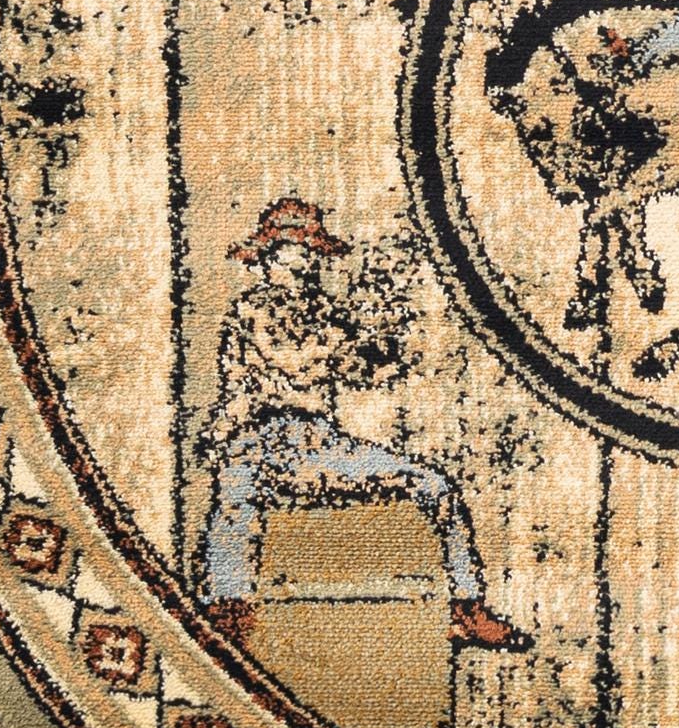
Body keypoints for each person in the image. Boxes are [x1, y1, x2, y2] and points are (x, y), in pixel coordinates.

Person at [195, 196, 528, 652]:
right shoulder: (253, 309)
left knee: (434, 487)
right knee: (236, 497)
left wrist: (389, 343)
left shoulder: (322, 312)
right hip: (258, 437)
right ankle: (227, 611)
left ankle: (465, 607)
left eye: (310, 252)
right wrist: (347, 344)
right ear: (269, 256)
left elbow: (364, 370)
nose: (304, 262)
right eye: (294, 250)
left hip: (319, 440)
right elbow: (295, 361)